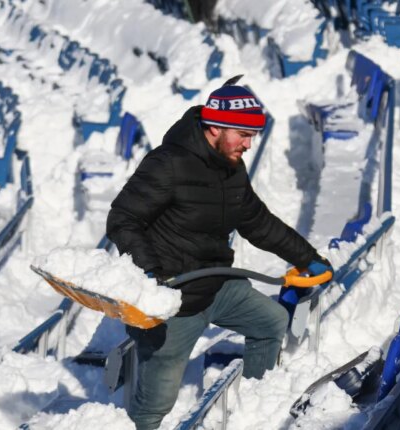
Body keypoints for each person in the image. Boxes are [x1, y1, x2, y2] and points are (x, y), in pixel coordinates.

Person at [106, 80, 330, 429]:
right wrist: (149, 273)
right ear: (214, 126)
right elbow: (122, 218)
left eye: (253, 135)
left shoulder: (231, 168)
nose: (249, 143)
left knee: (270, 322)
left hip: (216, 285)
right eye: (243, 134)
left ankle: (251, 412)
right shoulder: (168, 164)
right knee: (155, 407)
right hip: (173, 300)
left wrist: (307, 257)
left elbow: (257, 221)